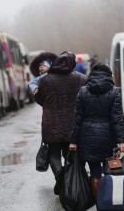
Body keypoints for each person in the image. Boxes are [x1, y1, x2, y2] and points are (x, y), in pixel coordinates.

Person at [69, 62, 124, 203]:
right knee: (110, 169)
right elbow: (117, 118)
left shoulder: (83, 91)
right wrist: (122, 141)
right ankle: (110, 199)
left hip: (87, 136)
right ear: (109, 75)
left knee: (94, 171)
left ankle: (98, 202)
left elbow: (77, 119)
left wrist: (73, 141)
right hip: (108, 137)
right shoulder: (114, 92)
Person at [34, 51, 87, 195]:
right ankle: (68, 179)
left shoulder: (46, 80)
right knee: (70, 153)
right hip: (74, 124)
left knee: (54, 153)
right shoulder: (82, 79)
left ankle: (60, 175)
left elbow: (40, 99)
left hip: (52, 124)